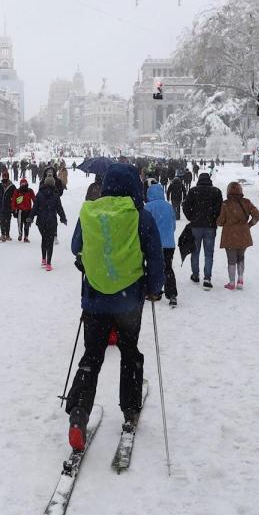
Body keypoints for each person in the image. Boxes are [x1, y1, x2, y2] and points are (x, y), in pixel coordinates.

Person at [66, 163, 164, 450]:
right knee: (129, 353)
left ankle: (79, 413)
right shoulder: (140, 217)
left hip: (95, 300)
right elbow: (155, 257)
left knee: (92, 357)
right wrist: (154, 288)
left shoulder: (90, 212)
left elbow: (76, 247)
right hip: (129, 302)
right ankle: (130, 411)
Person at [182, 173, 223, 289]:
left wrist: (191, 217)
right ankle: (207, 278)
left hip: (195, 226)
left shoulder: (193, 191)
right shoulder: (216, 192)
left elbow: (185, 206)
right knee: (209, 254)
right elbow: (220, 208)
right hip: (210, 226)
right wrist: (213, 218)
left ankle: (195, 275)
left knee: (195, 252)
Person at [218, 181, 259, 290]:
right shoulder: (246, 202)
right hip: (243, 235)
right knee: (241, 257)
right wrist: (249, 225)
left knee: (231, 259)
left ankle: (232, 283)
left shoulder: (226, 204)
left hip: (229, 236)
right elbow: (257, 215)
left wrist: (220, 221)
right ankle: (240, 280)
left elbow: (220, 222)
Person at [145, 182, 178, 307]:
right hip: (169, 243)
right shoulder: (168, 206)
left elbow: (145, 227)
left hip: (154, 244)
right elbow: (173, 225)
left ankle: (155, 292)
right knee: (168, 268)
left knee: (153, 268)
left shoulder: (148, 207)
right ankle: (172, 294)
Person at [30, 176, 67, 271]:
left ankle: (43, 259)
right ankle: (48, 264)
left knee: (44, 239)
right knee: (50, 242)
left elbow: (35, 208)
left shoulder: (39, 194)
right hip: (51, 222)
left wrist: (30, 218)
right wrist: (63, 218)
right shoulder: (55, 195)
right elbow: (59, 208)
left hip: (41, 222)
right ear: (53, 184)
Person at [0, 171, 16, 242]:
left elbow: (15, 198)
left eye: (6, 176)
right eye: (3, 176)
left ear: (8, 177)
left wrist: (15, 207)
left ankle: (7, 234)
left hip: (8, 207)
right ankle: (3, 234)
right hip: (0, 207)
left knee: (8, 221)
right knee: (2, 221)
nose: (4, 177)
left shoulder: (12, 187)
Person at [11, 177, 35, 242]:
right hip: (20, 211)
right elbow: (13, 200)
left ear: (27, 183)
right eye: (22, 184)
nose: (23, 185)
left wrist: (35, 209)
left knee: (27, 224)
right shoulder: (17, 191)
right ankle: (20, 234)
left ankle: (26, 237)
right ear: (20, 184)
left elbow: (34, 200)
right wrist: (13, 209)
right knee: (20, 223)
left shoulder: (30, 191)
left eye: (24, 183)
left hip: (28, 211)